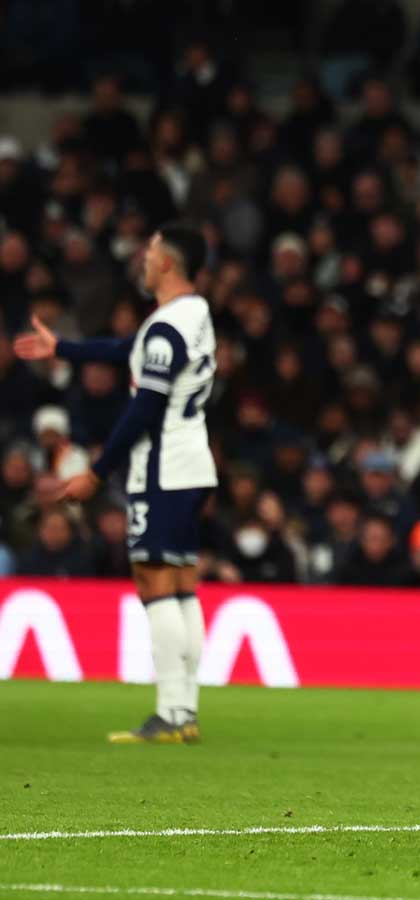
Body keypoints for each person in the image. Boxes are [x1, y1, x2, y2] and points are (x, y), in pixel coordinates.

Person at [14, 223, 220, 744]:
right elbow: (126, 347)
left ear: (168, 263)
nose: (143, 258)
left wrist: (97, 472)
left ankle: (172, 712)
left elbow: (145, 406)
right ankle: (185, 711)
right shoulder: (192, 315)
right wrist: (62, 347)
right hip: (193, 462)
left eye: (150, 251)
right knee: (180, 583)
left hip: (163, 467)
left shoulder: (167, 326)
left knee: (154, 581)